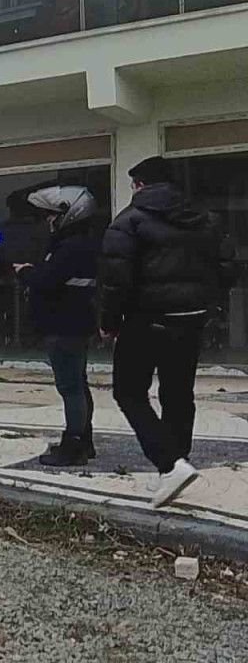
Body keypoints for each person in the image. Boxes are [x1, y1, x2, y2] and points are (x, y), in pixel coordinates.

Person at [100, 156, 236, 509]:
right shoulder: (206, 220)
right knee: (178, 394)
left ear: (141, 184)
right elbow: (227, 270)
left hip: (146, 321)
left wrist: (109, 323)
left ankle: (170, 464)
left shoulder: (128, 223)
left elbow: (116, 282)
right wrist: (208, 303)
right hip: (191, 320)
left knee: (129, 393)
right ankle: (178, 465)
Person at [13, 186, 101, 468]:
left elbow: (47, 280)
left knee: (70, 387)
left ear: (68, 214)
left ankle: (74, 447)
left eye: (52, 215)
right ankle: (84, 441)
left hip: (64, 326)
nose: (49, 220)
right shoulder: (79, 243)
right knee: (78, 384)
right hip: (72, 324)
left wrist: (25, 271)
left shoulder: (71, 246)